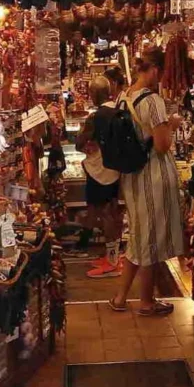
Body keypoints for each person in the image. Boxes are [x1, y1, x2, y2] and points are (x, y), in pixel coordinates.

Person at [110, 47, 185, 316]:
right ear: (154, 70)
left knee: (139, 236)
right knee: (152, 237)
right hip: (153, 175)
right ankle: (146, 301)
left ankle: (120, 298)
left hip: (132, 176)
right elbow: (162, 145)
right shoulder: (152, 101)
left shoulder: (123, 97)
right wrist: (172, 124)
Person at [75, 76, 122, 278]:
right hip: (113, 170)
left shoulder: (97, 117)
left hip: (100, 172)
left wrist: (83, 137)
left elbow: (79, 143)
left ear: (94, 94)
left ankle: (112, 262)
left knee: (107, 214)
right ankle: (112, 256)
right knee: (111, 211)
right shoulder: (119, 110)